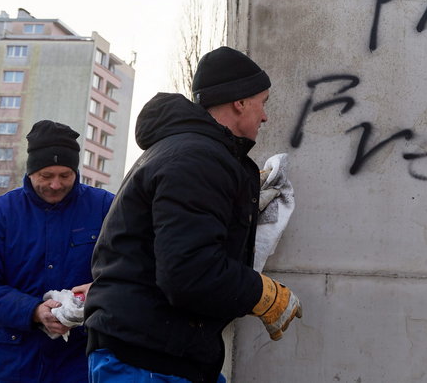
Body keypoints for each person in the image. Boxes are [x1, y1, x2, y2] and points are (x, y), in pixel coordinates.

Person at [85, 46, 302, 383]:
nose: (265, 116)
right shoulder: (197, 159)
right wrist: (261, 293)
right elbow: (189, 273)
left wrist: (236, 204)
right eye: (263, 102)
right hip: (146, 363)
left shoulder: (185, 152)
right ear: (240, 102)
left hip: (158, 353)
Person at [0, 120, 114, 383]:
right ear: (30, 172)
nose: (55, 185)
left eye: (65, 175)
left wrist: (99, 290)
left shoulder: (106, 208)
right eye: (46, 176)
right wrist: (33, 310)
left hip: (81, 363)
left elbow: (135, 272)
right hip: (11, 365)